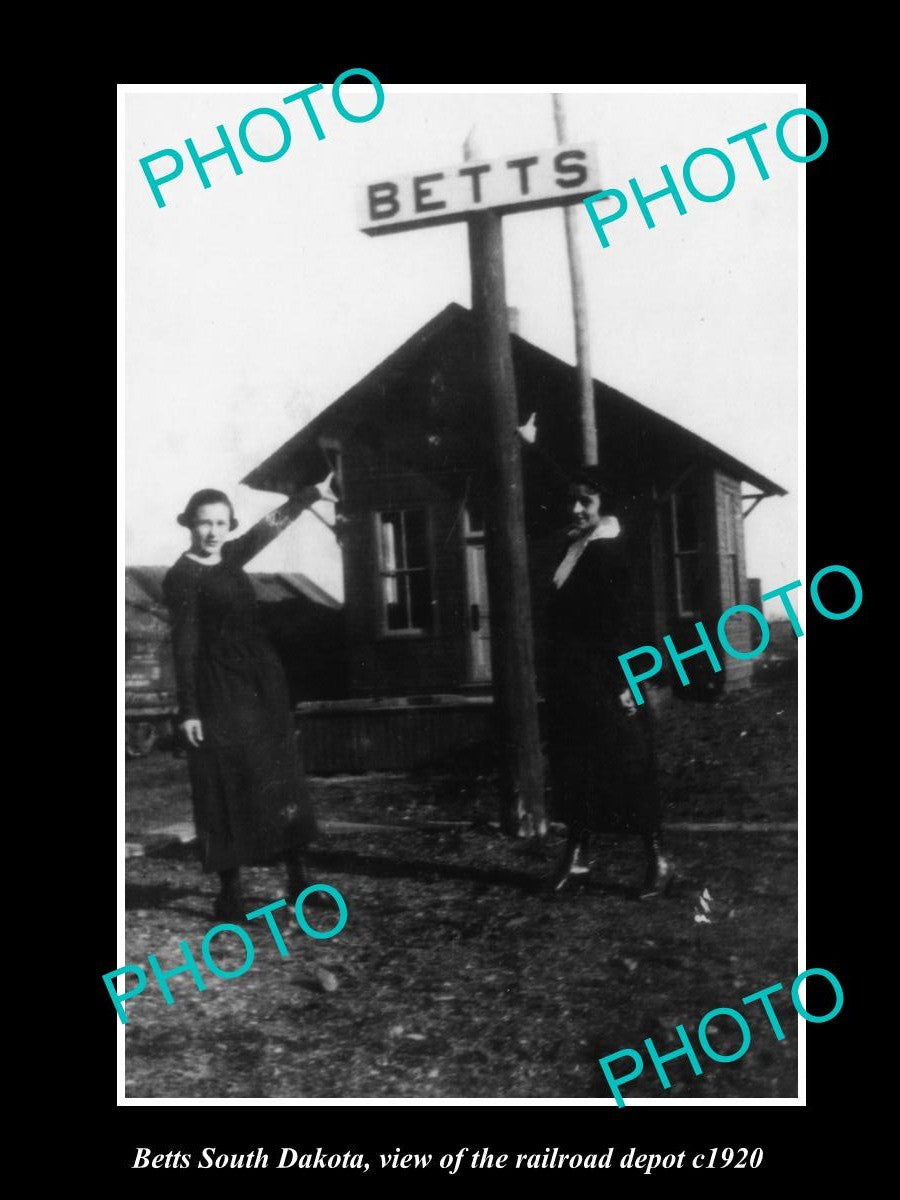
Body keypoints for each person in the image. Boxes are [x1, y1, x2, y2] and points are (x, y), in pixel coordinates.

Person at [163, 479, 333, 922]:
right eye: (205, 523)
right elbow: (184, 645)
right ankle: (230, 894)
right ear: (190, 525)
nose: (213, 532)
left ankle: (298, 879)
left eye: (221, 523)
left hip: (261, 683)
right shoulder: (181, 577)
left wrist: (309, 494)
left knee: (281, 779)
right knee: (224, 785)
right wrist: (189, 710)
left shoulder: (232, 556)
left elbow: (266, 529)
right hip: (218, 689)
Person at [544, 466, 673, 896]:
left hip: (609, 679)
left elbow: (624, 624)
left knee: (628, 767)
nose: (576, 508)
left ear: (605, 506)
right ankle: (577, 856)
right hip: (573, 680)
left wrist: (629, 682)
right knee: (573, 766)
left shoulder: (611, 551)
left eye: (587, 501)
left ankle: (658, 861)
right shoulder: (573, 547)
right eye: (572, 499)